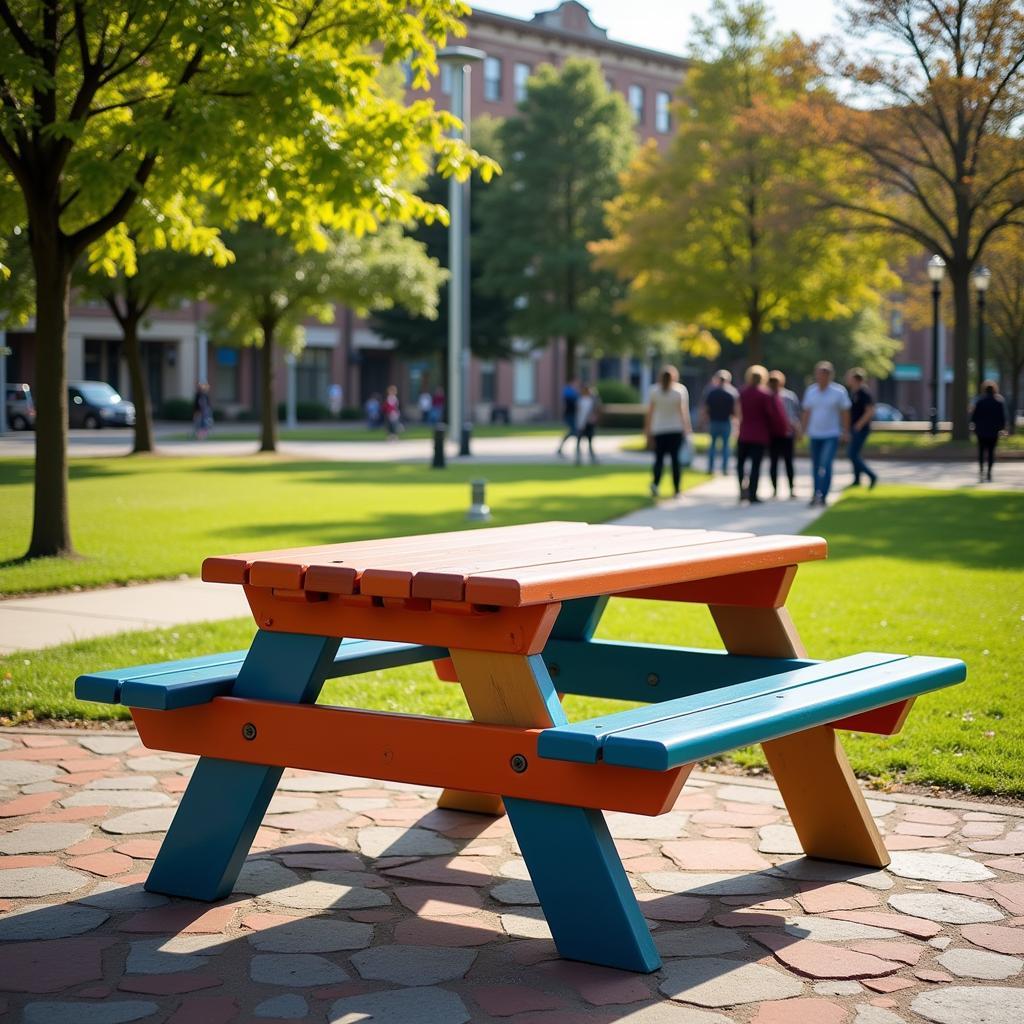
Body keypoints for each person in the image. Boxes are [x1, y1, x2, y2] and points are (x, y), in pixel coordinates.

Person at [801, 360, 851, 507]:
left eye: (825, 374)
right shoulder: (811, 391)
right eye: (819, 374)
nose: (822, 377)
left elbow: (845, 412)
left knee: (826, 464)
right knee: (816, 466)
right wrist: (803, 430)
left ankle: (823, 494)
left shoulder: (839, 391)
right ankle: (816, 492)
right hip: (814, 434)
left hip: (831, 434)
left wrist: (846, 431)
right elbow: (806, 412)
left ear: (830, 375)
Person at [736, 365, 787, 504]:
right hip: (759, 434)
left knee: (741, 464)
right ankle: (752, 493)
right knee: (755, 466)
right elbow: (773, 415)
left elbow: (738, 412)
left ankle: (742, 490)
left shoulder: (742, 392)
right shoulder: (766, 395)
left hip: (744, 433)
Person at [644, 365, 693, 499]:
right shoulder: (679, 391)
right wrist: (687, 429)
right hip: (675, 430)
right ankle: (677, 490)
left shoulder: (654, 391)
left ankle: (655, 484)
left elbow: (650, 413)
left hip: (659, 430)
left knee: (659, 460)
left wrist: (647, 431)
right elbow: (683, 412)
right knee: (675, 460)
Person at [767, 370, 800, 499]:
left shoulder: (788, 396)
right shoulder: (768, 396)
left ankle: (789, 488)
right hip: (776, 434)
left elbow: (795, 416)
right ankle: (777, 489)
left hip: (784, 433)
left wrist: (797, 430)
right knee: (777, 462)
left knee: (786, 462)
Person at [846, 368, 878, 489]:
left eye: (850, 378)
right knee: (854, 454)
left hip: (861, 428)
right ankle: (857, 480)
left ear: (856, 379)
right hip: (855, 428)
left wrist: (858, 425)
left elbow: (870, 411)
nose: (848, 380)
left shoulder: (864, 393)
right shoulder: (854, 392)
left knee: (852, 454)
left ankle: (871, 475)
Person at [702, 369, 738, 475]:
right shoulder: (732, 393)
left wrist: (703, 421)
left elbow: (706, 409)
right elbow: (735, 411)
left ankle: (710, 468)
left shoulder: (711, 392)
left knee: (712, 446)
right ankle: (724, 469)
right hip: (726, 422)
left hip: (714, 422)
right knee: (726, 447)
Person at [970, 380, 1007, 482]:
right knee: (991, 452)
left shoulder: (979, 401)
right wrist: (1002, 428)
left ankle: (981, 470)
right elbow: (1002, 417)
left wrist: (975, 426)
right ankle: (989, 472)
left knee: (981, 451)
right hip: (993, 431)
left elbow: (974, 417)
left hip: (981, 431)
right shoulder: (999, 402)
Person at [575, 384, 601, 465]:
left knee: (590, 442)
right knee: (579, 442)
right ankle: (578, 459)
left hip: (589, 424)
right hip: (581, 423)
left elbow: (597, 408)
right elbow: (579, 413)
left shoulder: (592, 400)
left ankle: (592, 459)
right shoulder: (581, 400)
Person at [556, 379, 579, 457]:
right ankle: (577, 449)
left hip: (573, 415)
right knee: (574, 431)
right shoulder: (568, 391)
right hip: (569, 414)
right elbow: (571, 401)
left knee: (574, 432)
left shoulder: (575, 391)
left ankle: (561, 448)